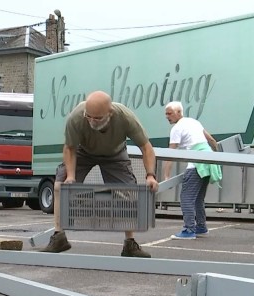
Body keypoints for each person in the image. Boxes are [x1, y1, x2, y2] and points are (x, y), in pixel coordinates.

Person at [40, 91, 159, 257]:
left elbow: (146, 147)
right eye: (89, 117)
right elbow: (69, 148)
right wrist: (71, 176)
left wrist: (150, 175)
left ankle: (130, 244)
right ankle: (59, 237)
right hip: (84, 152)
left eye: (97, 118)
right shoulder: (76, 117)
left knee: (130, 193)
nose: (92, 121)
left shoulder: (125, 117)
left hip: (115, 154)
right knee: (61, 184)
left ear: (109, 113)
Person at [162, 101, 222, 239]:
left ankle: (189, 230)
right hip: (208, 162)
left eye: (169, 113)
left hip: (196, 165)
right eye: (166, 113)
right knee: (198, 199)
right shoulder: (194, 122)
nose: (167, 116)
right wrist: (217, 158)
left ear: (179, 112)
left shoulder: (177, 129)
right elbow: (212, 140)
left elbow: (170, 154)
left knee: (186, 198)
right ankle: (201, 227)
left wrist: (166, 176)